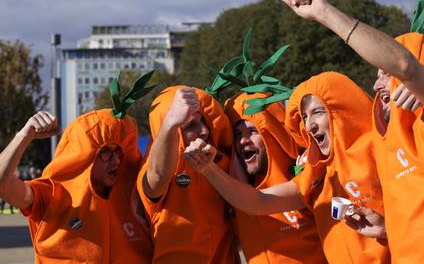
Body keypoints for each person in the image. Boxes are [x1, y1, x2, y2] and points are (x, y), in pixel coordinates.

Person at [282, 0, 424, 262]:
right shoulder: (387, 139)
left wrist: (324, 13)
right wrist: (386, 229)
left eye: (385, 73)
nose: (375, 83)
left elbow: (405, 66)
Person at [185, 72, 390, 263]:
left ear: (342, 110)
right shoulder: (314, 176)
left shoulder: (382, 151)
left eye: (318, 112)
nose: (309, 125)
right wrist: (208, 168)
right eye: (304, 117)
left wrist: (386, 229)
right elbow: (258, 202)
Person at [0, 110, 153, 263]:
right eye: (106, 152)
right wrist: (24, 136)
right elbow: (3, 184)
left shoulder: (135, 193)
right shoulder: (52, 194)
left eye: (118, 152)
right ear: (85, 155)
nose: (115, 161)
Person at [136, 86, 239, 263]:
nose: (204, 131)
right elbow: (158, 177)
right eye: (191, 125)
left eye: (204, 121)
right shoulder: (154, 168)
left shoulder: (221, 160)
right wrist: (170, 124)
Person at [221, 92, 326, 263]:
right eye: (238, 134)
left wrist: (206, 167)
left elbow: (256, 202)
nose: (243, 141)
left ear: (273, 133)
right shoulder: (232, 192)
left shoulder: (306, 172)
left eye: (253, 131)